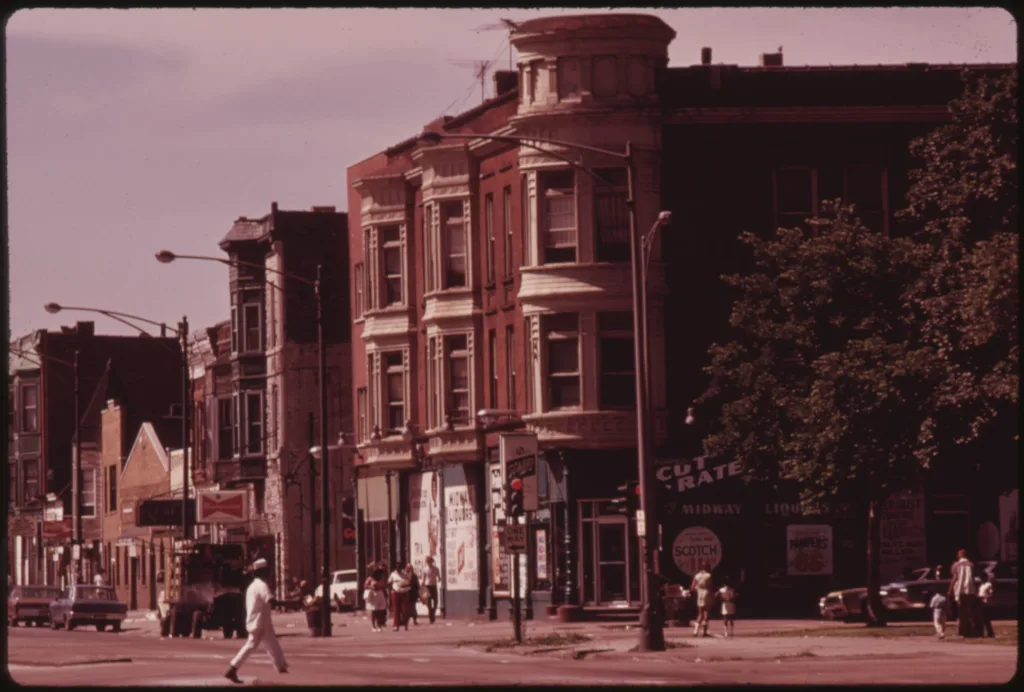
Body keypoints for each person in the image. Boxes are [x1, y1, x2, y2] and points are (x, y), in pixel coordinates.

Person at [225, 558, 288, 684]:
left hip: (262, 621)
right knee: (251, 645)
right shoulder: (262, 585)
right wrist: (291, 603)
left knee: (272, 643)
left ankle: (281, 666)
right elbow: (271, 601)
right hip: (259, 622)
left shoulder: (253, 586)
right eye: (267, 571)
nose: (269, 573)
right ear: (262, 572)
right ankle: (232, 669)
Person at [947, 549, 977, 638]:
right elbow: (973, 577)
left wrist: (950, 590)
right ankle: (971, 630)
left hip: (960, 590)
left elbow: (954, 578)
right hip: (970, 590)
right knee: (969, 611)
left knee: (961, 612)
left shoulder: (956, 565)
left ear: (959, 555)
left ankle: (962, 631)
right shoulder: (971, 565)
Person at [690, 562, 714, 637]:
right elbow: (710, 586)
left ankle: (695, 631)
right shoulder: (708, 575)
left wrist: (698, 589)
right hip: (706, 593)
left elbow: (692, 588)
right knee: (706, 612)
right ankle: (704, 632)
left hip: (699, 594)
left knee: (700, 613)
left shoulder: (696, 576)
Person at [364, 564, 387, 632]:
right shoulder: (370, 579)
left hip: (380, 594)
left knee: (380, 611)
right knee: (374, 611)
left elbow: (384, 586)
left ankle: (379, 625)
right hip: (373, 595)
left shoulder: (381, 579)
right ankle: (373, 626)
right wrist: (371, 587)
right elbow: (365, 586)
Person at [388, 564, 411, 632]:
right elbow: (389, 582)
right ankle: (396, 626)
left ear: (401, 568)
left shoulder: (405, 574)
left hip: (404, 593)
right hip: (395, 593)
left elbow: (409, 582)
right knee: (396, 610)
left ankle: (405, 624)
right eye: (397, 568)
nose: (398, 570)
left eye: (399, 569)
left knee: (404, 610)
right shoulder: (393, 574)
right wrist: (392, 589)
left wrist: (405, 584)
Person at [421, 556, 441, 624]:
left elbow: (439, 577)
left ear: (432, 561)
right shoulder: (425, 569)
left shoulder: (436, 569)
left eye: (430, 561)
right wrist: (422, 587)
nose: (429, 563)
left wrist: (439, 579)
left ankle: (433, 613)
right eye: (428, 561)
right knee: (429, 604)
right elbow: (423, 579)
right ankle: (431, 618)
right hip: (428, 587)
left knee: (436, 602)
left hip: (434, 586)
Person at [977, 572, 995, 638]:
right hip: (981, 603)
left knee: (986, 619)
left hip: (986, 604)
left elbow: (991, 594)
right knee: (982, 619)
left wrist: (984, 597)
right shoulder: (981, 585)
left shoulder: (989, 585)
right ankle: (982, 633)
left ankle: (990, 633)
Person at [156, 571, 173, 639]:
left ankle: (164, 631)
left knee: (164, 617)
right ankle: (164, 631)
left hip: (163, 601)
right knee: (164, 617)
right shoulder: (164, 587)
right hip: (163, 601)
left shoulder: (163, 587)